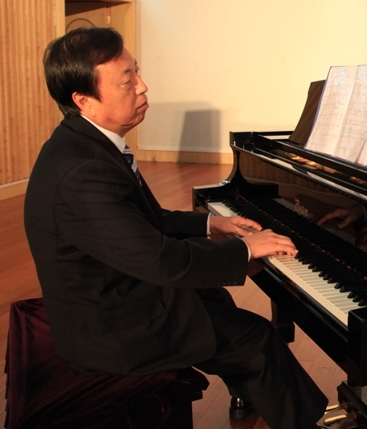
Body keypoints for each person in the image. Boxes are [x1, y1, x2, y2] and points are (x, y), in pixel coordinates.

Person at [23, 27, 333, 429]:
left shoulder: (86, 144)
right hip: (112, 330)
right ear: (84, 100)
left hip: (113, 293)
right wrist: (246, 249)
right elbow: (162, 261)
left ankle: (248, 393)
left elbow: (142, 223)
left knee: (214, 298)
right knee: (256, 338)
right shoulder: (83, 171)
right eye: (127, 80)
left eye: (138, 71)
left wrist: (211, 223)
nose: (143, 86)